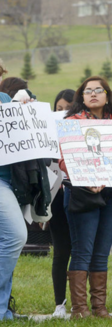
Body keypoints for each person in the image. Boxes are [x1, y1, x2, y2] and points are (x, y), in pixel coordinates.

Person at [58, 77, 112, 319]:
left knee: (101, 251)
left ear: (107, 95)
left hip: (110, 193)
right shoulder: (71, 123)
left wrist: (106, 178)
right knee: (82, 250)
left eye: (98, 90)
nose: (93, 94)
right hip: (80, 193)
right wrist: (86, 178)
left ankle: (99, 307)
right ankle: (79, 309)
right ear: (82, 97)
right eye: (88, 91)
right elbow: (63, 160)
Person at [0, 91, 28, 321]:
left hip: (12, 180)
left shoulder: (6, 99)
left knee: (5, 244)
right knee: (16, 236)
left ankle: (2, 311)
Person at [48, 89, 74, 317]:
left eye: (68, 108)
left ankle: (79, 302)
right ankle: (60, 304)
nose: (62, 112)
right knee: (61, 250)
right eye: (58, 108)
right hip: (57, 195)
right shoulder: (47, 131)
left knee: (81, 251)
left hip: (79, 194)